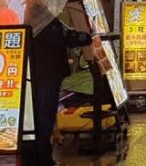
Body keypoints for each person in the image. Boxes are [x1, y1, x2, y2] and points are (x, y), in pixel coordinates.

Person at [27, 18, 95, 166]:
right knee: (45, 117)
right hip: (47, 74)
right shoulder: (44, 20)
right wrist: (83, 37)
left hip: (35, 73)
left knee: (39, 116)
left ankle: (37, 155)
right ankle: (42, 158)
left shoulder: (32, 18)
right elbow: (60, 38)